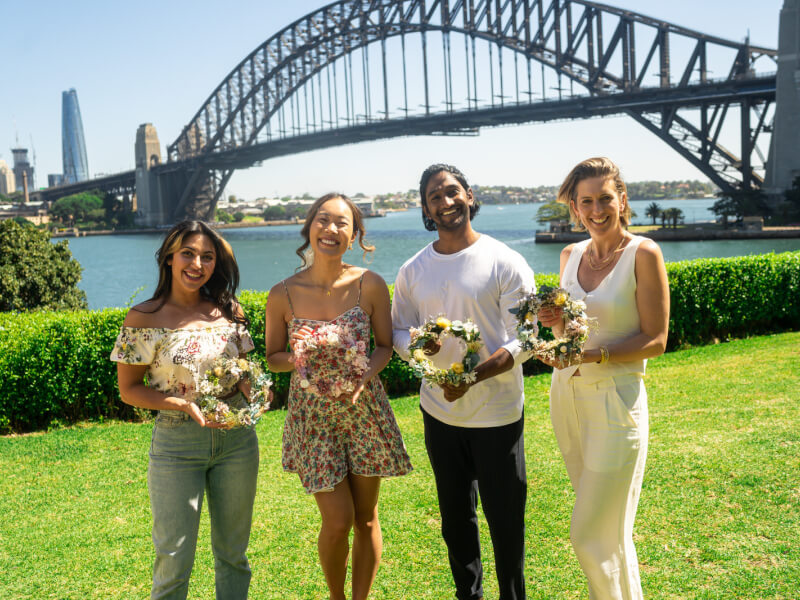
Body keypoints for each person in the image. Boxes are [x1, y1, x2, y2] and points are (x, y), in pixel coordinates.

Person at [391, 164, 535, 600]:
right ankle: (466, 595)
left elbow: (527, 337)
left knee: (505, 520)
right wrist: (422, 350)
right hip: (440, 413)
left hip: (497, 414)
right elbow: (398, 331)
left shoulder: (504, 260)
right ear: (425, 210)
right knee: (456, 520)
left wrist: (473, 376)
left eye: (452, 191)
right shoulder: (412, 271)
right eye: (435, 196)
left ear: (470, 196)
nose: (446, 201)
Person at [264, 192, 412, 600]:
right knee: (338, 520)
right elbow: (272, 357)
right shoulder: (283, 294)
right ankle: (336, 597)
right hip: (312, 419)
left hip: (364, 412)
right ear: (309, 228)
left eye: (341, 223)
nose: (331, 229)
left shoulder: (370, 284)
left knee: (366, 519)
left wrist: (366, 373)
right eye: (322, 220)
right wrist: (299, 359)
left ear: (354, 235)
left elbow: (383, 345)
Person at [539, 157, 669, 600]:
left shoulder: (643, 253)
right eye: (587, 201)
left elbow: (656, 338)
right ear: (574, 208)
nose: (597, 210)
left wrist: (598, 354)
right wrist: (552, 322)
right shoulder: (569, 254)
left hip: (616, 403)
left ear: (622, 200)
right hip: (568, 401)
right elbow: (565, 333)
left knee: (588, 533)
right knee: (610, 532)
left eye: (605, 199)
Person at [111, 220, 260, 600]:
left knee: (233, 556)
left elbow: (243, 372)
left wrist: (255, 389)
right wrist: (175, 402)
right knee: (173, 561)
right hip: (177, 443)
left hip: (237, 440)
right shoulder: (143, 317)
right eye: (188, 254)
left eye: (207, 257)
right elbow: (129, 389)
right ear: (169, 258)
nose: (198, 264)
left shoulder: (229, 310)